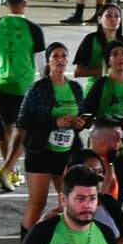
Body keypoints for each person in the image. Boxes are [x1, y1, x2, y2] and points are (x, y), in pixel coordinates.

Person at [14, 43, 90, 232]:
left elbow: (82, 114)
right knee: (37, 202)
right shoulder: (38, 88)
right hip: (40, 152)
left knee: (68, 201)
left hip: (66, 152)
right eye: (55, 56)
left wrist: (80, 123)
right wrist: (54, 122)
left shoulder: (75, 88)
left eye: (64, 56)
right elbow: (23, 120)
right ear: (48, 61)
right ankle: (26, 243)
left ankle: (59, 239)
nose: (60, 59)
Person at [0, 0, 42, 191]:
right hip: (25, 87)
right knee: (24, 132)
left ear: (6, 3)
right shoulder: (33, 29)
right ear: (25, 3)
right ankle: (8, 170)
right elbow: (42, 65)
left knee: (7, 129)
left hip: (3, 86)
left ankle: (11, 172)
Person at [82, 41, 123, 198]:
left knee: (120, 191)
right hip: (103, 146)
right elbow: (86, 116)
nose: (121, 57)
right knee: (99, 191)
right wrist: (107, 127)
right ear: (108, 60)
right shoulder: (101, 85)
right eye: (115, 54)